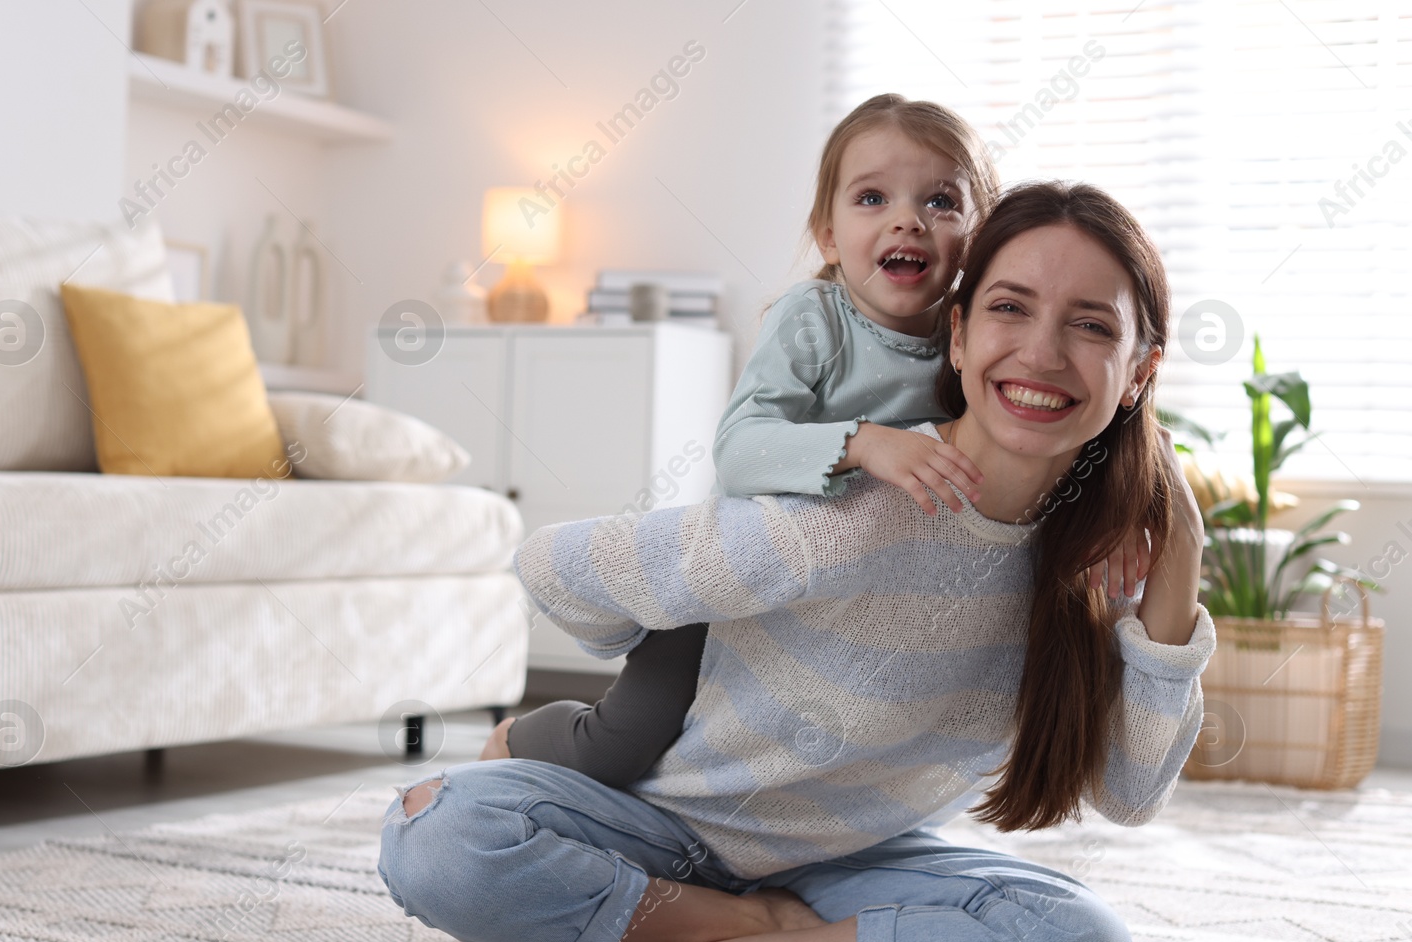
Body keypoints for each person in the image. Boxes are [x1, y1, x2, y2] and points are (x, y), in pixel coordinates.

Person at [377, 180, 1213, 942]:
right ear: (957, 338)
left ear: (1141, 370)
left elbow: (1131, 792)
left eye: (1091, 325)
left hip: (856, 860)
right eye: (1010, 308)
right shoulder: (852, 509)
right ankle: (756, 931)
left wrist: (1180, 540)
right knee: (438, 836)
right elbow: (551, 565)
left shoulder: (1099, 559)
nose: (1040, 353)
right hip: (665, 830)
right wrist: (656, 668)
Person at [489, 94, 1149, 788]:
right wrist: (864, 444)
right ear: (828, 236)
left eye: (942, 202)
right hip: (733, 579)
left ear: (977, 243)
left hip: (838, 601)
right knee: (626, 744)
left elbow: (1078, 429)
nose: (907, 219)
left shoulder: (979, 344)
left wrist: (1126, 510)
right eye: (872, 197)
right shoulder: (815, 321)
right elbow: (739, 450)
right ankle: (518, 736)